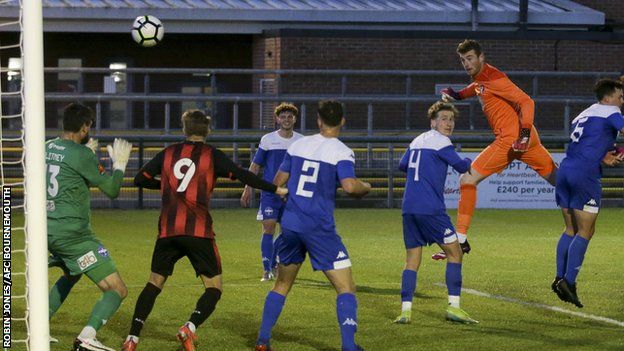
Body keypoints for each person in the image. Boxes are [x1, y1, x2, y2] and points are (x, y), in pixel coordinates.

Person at [121, 110, 287, 351]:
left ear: (183, 129)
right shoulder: (211, 155)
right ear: (208, 131)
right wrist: (275, 189)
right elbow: (244, 176)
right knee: (214, 288)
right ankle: (189, 326)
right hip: (198, 232)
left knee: (154, 283)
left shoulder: (168, 153)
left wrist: (169, 187)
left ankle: (132, 338)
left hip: (168, 231)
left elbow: (139, 179)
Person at [254, 100, 371, 351]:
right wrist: (367, 187)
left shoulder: (299, 144)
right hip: (319, 229)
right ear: (342, 121)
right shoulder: (341, 151)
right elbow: (350, 186)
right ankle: (349, 346)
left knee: (282, 284)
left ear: (318, 120)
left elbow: (278, 181)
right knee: (346, 287)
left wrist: (290, 196)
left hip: (292, 225)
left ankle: (263, 340)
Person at [435, 39, 557, 260]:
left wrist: (523, 134)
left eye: (470, 58)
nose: (466, 63)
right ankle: (587, 195)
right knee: (559, 180)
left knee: (466, 180)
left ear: (482, 58)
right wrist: (459, 95)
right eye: (462, 60)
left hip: (511, 140)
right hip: (526, 139)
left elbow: (527, 101)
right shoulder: (482, 79)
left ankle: (460, 240)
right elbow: (478, 88)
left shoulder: (493, 77)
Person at [46, 103, 132, 351]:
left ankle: (39, 325)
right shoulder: (82, 155)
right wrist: (119, 166)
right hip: (74, 237)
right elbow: (112, 190)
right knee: (117, 290)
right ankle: (87, 336)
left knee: (72, 274)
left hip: (47, 232)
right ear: (84, 127)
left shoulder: (47, 147)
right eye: (89, 127)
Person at [393, 101, 478, 325]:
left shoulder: (417, 140)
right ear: (433, 122)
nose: (448, 123)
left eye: (451, 119)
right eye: (443, 119)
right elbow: (462, 166)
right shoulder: (442, 142)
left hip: (408, 208)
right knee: (455, 253)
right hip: (431, 210)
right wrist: (468, 160)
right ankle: (454, 307)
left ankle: (405, 311)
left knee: (412, 259)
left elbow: (402, 165)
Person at [552, 79, 624, 308]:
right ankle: (569, 282)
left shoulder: (582, 115)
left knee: (571, 229)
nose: (622, 101)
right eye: (620, 97)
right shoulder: (611, 111)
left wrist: (604, 155)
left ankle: (559, 278)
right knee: (586, 231)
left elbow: (587, 143)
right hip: (585, 175)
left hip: (566, 170)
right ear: (608, 98)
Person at [241, 102, 303, 281]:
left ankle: (276, 262)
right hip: (270, 192)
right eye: (283, 117)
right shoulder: (268, 139)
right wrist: (248, 187)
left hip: (291, 194)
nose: (286, 120)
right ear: (277, 119)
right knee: (268, 229)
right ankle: (267, 270)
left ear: (295, 119)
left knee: (289, 233)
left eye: (289, 117)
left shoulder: (301, 141)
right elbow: (255, 165)